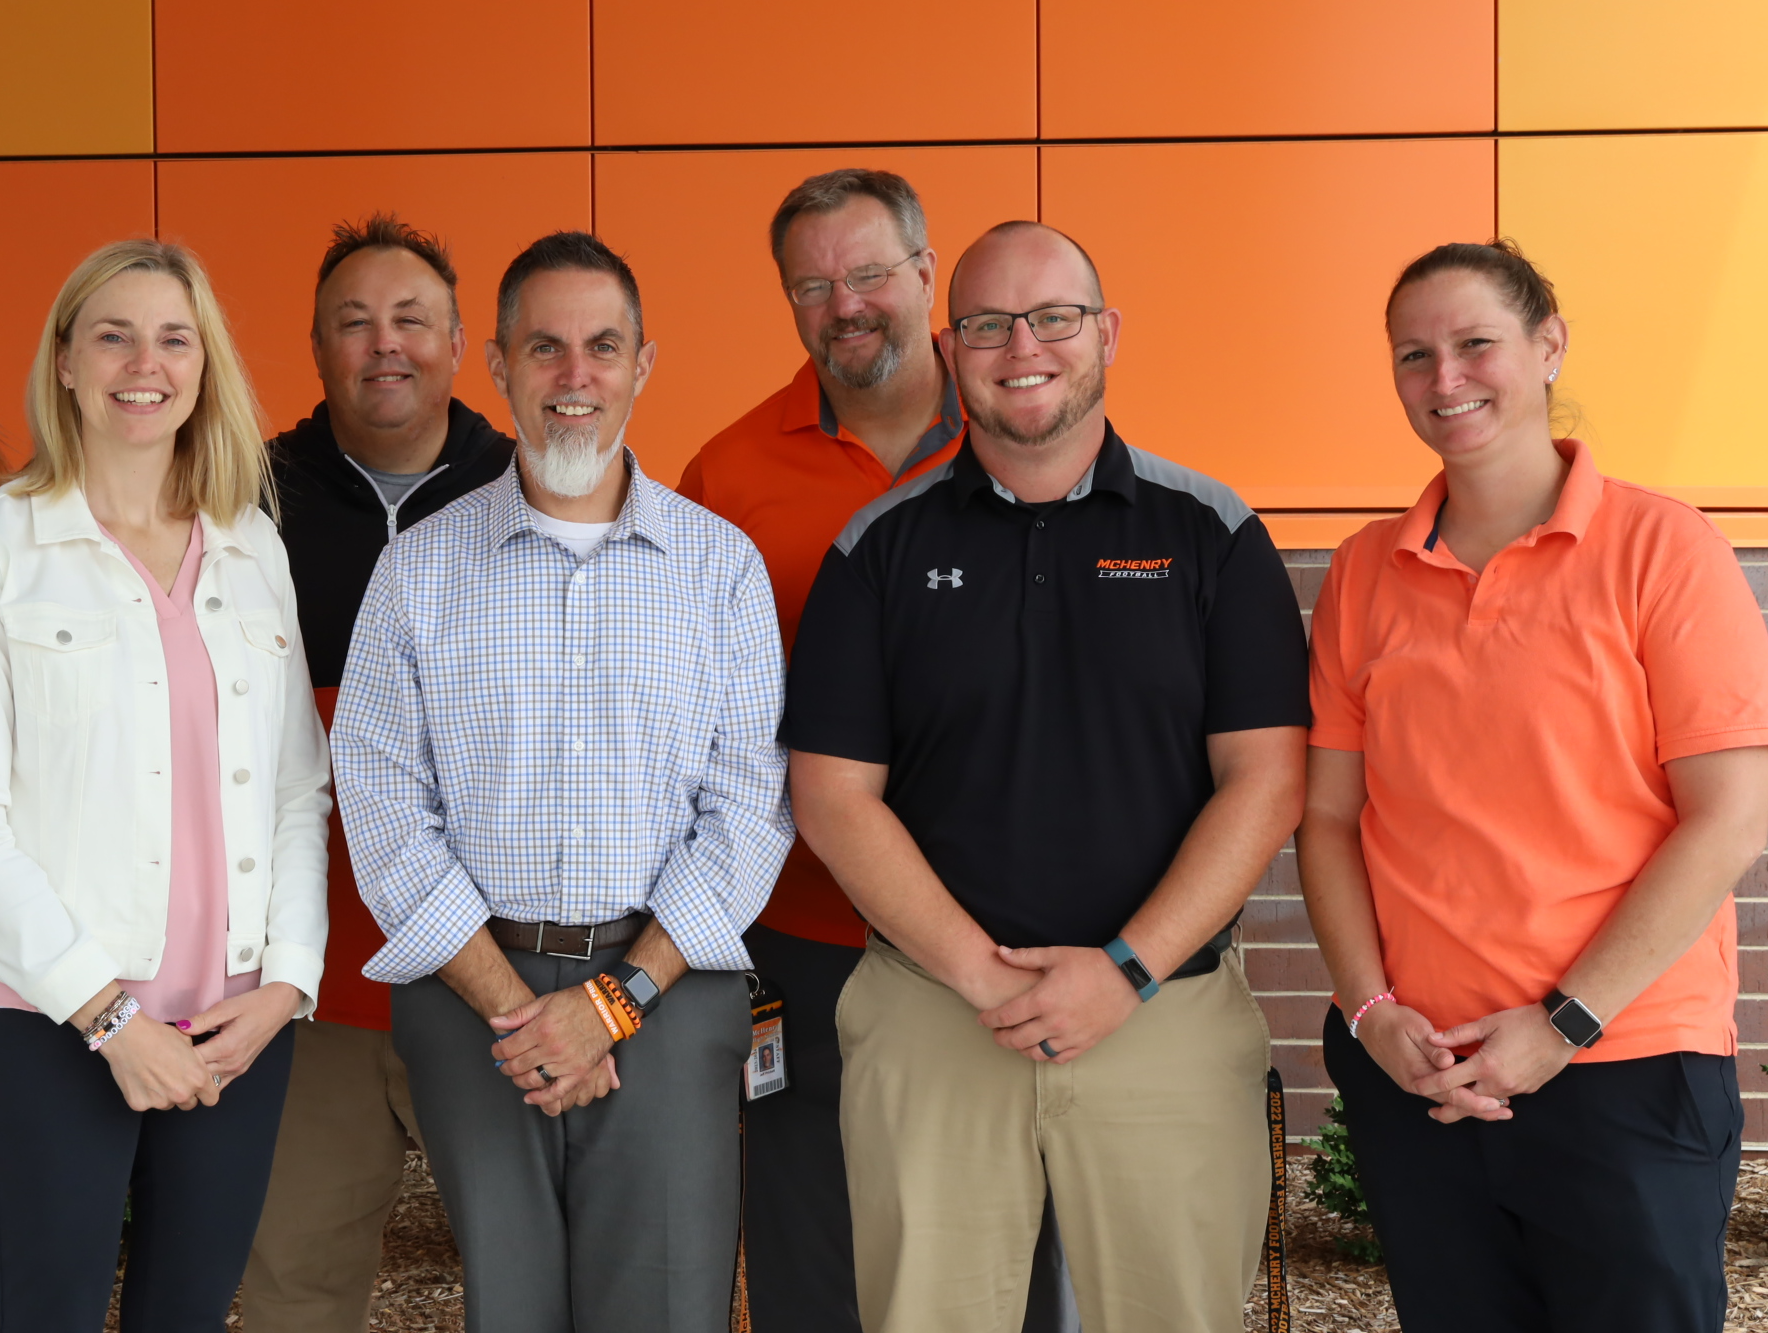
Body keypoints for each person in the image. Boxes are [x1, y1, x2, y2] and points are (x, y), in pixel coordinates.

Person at [786, 221, 1310, 1333]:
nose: (1022, 345)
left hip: (1160, 1013)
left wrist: (1124, 971)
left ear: (1106, 333)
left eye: (1054, 317)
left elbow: (1266, 780)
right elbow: (833, 794)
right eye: (986, 324)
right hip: (937, 1017)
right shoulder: (875, 547)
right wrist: (984, 976)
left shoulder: (1212, 533)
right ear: (951, 345)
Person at [1296, 240, 1768, 1333]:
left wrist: (1563, 1023)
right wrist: (1374, 1016)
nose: (1445, 378)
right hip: (1419, 1070)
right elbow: (1328, 820)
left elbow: (1726, 822)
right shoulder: (1364, 570)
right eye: (1414, 355)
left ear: (1549, 346)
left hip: (1624, 1062)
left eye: (1477, 344)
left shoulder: (1665, 547)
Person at [332, 230, 792, 1333]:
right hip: (471, 994)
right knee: (511, 1307)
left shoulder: (721, 567)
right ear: (496, 365)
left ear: (643, 364)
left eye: (602, 347)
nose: (574, 376)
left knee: (666, 1306)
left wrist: (610, 1005)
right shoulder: (419, 568)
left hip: (669, 992)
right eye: (546, 348)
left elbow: (748, 810)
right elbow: (387, 810)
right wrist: (517, 1008)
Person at [678, 168, 1076, 1332]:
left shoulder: (1030, 424)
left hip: (1006, 926)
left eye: (866, 274)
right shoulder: (729, 475)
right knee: (816, 1242)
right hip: (806, 932)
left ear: (923, 273)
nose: (843, 303)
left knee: (1021, 1242)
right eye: (811, 284)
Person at [0, 239, 330, 1330]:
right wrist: (109, 1020)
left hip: (233, 1024)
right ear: (63, 360)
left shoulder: (250, 547)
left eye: (174, 338)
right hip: (49, 1026)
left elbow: (296, 791)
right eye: (114, 333)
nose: (144, 362)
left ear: (204, 368)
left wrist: (286, 983)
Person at [243, 214, 515, 1332]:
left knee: (525, 1272)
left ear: (460, 343)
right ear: (315, 347)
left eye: (412, 320)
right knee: (295, 1280)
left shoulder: (530, 492)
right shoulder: (244, 497)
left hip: (494, 973)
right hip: (308, 975)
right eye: (354, 323)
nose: (384, 344)